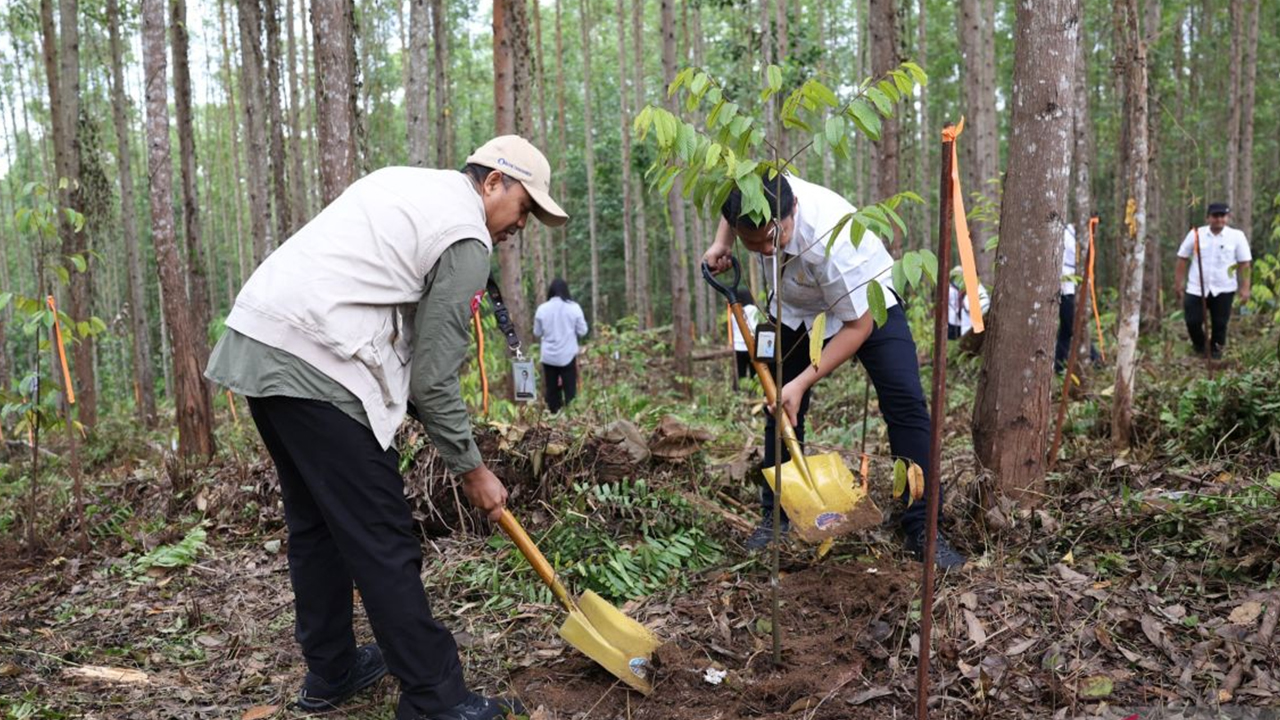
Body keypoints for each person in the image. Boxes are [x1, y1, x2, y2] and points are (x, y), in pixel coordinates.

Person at [205, 135, 567, 720]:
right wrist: (472, 469)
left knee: (317, 526)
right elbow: (432, 379)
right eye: (524, 207)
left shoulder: (409, 184)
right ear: (493, 182)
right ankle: (434, 698)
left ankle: (332, 670)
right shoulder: (465, 234)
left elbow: (415, 363)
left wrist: (453, 441)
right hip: (318, 364)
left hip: (259, 344)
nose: (520, 225)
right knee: (383, 535)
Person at [702, 173, 966, 569]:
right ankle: (777, 516)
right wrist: (722, 243)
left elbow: (858, 327)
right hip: (794, 307)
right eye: (753, 245)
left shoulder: (834, 241)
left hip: (866, 301)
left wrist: (802, 381)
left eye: (774, 238)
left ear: (792, 209)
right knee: (780, 407)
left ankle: (922, 528)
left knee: (906, 404)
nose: (766, 251)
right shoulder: (758, 187)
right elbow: (734, 198)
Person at [1174, 202, 1252, 359]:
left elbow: (1244, 263)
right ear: (1208, 218)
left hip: (1224, 288)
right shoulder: (1196, 234)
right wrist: (1178, 284)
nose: (1219, 219)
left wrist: (1245, 288)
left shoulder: (1237, 236)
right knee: (1192, 321)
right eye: (1215, 216)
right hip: (1196, 287)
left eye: (1222, 216)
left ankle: (1215, 355)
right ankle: (1201, 347)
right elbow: (1182, 258)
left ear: (1227, 217)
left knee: (1220, 324)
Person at [533, 278, 588, 412]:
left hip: (549, 356)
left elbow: (537, 332)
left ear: (550, 292)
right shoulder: (574, 308)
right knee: (570, 389)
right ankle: (571, 415)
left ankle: (553, 414)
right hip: (567, 355)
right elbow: (583, 331)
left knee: (551, 390)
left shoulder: (542, 309)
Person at [947, 266, 989, 340]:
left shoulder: (979, 292)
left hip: (972, 332)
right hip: (963, 329)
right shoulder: (963, 291)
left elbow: (982, 310)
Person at [730, 287, 764, 380]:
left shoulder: (734, 313)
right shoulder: (754, 310)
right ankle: (753, 388)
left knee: (741, 373)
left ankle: (741, 388)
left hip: (738, 347)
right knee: (754, 374)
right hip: (752, 345)